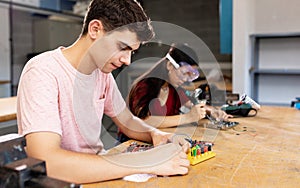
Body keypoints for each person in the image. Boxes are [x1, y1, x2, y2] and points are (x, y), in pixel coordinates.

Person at [17, 0, 190, 184]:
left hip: (101, 172)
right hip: (65, 181)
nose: (127, 60)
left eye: (132, 52)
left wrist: (156, 134)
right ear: (95, 29)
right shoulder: (43, 71)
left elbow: (127, 120)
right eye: (123, 47)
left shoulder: (102, 74)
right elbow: (47, 161)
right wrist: (143, 162)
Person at [118, 43, 232, 142]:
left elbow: (193, 104)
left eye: (191, 75)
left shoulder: (174, 88)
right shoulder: (144, 86)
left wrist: (213, 111)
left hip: (159, 139)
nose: (186, 79)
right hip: (131, 142)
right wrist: (188, 117)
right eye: (184, 73)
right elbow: (145, 121)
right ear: (169, 65)